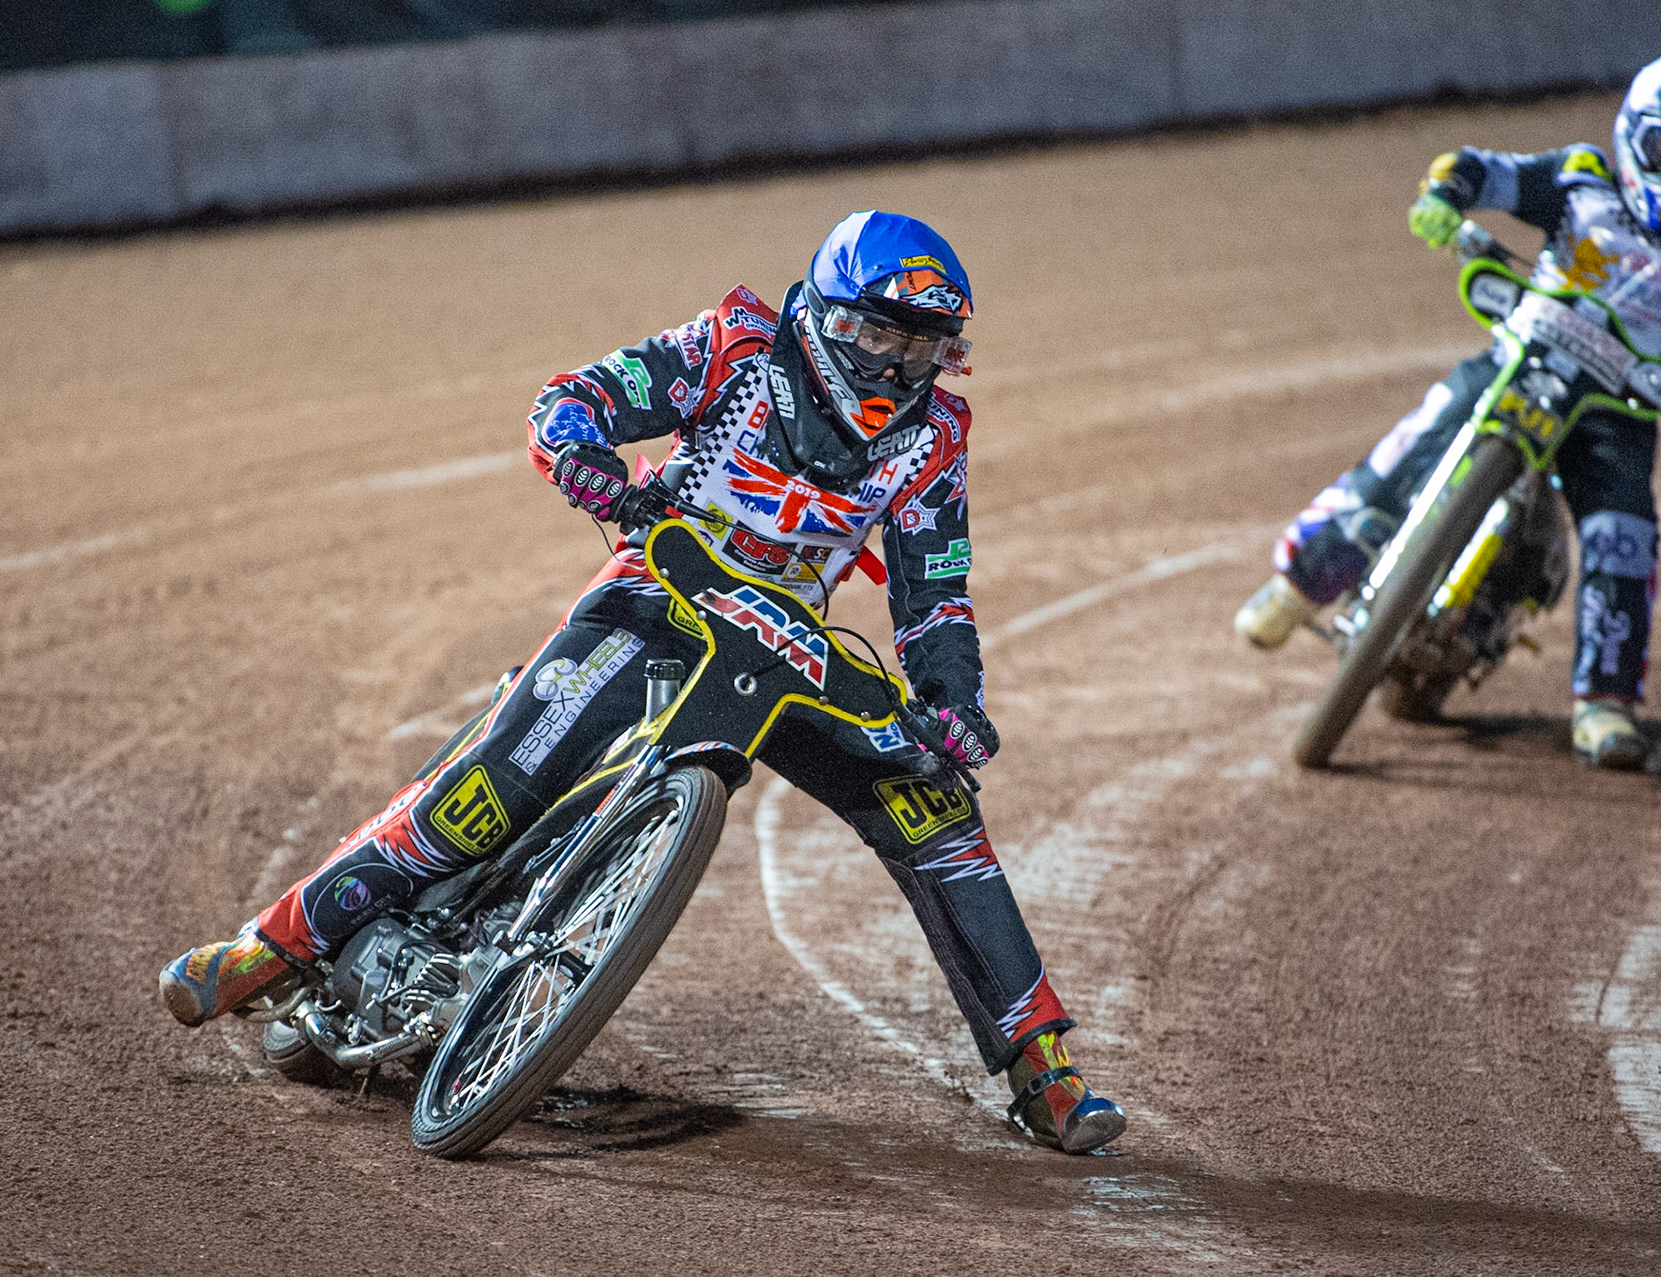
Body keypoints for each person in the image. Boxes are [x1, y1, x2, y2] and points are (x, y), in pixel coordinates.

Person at [160, 210, 1126, 1154]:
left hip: (789, 642)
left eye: (919, 348)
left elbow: (936, 599)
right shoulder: (735, 343)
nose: (891, 366)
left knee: (941, 813)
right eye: (876, 332)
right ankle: (263, 947)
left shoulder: (938, 437)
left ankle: (1043, 1067)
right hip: (661, 581)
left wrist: (957, 707)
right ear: (825, 316)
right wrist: (588, 467)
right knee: (491, 788)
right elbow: (570, 399)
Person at [1233, 47, 1661, 769]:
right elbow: (1476, 168)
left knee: (1624, 535)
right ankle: (1299, 584)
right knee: (1411, 443)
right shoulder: (1580, 181)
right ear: (1635, 134)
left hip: (1615, 412)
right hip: (1519, 361)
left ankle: (1604, 702)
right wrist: (1444, 199)